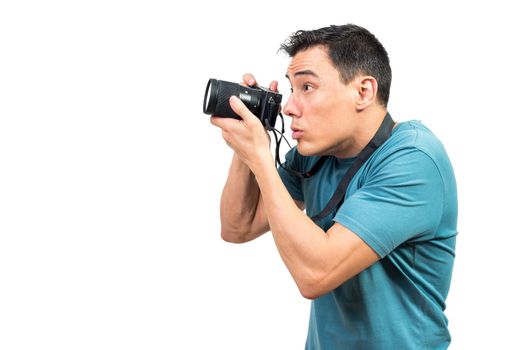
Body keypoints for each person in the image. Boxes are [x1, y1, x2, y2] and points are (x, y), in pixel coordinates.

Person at [210, 23, 457, 350]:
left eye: (308, 87)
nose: (289, 106)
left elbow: (316, 274)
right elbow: (237, 227)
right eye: (292, 89)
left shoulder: (414, 160)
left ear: (363, 92)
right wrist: (248, 143)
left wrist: (260, 157)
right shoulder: (315, 154)